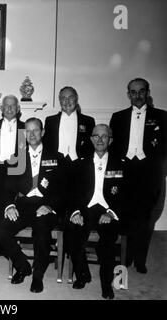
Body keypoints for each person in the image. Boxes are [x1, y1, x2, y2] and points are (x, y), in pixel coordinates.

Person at [0, 117, 65, 293]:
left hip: (45, 206)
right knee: (0, 231)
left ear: (42, 132)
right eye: (28, 131)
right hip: (24, 205)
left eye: (35, 130)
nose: (32, 134)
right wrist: (10, 206)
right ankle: (23, 266)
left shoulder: (57, 157)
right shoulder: (16, 158)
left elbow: (63, 190)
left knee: (41, 233)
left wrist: (49, 206)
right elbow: (8, 187)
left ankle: (38, 276)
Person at [110, 78, 167, 274]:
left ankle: (140, 260)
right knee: (124, 215)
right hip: (125, 172)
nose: (137, 95)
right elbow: (113, 148)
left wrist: (158, 168)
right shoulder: (118, 117)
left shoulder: (161, 116)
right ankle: (126, 257)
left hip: (148, 175)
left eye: (141, 91)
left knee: (145, 219)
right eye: (133, 92)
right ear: (128, 95)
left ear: (147, 92)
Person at [67, 124, 126, 299]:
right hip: (85, 208)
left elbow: (128, 195)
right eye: (96, 136)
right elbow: (70, 192)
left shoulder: (121, 163)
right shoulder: (79, 164)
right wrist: (75, 212)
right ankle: (82, 274)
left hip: (108, 211)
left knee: (107, 243)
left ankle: (106, 283)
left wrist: (112, 213)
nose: (100, 140)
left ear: (110, 140)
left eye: (104, 136)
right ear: (91, 139)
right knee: (72, 233)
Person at [43, 86, 95, 210]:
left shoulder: (88, 121)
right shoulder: (50, 120)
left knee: (76, 202)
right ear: (59, 101)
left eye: (70, 97)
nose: (67, 101)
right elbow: (47, 145)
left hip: (79, 167)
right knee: (57, 202)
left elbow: (90, 146)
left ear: (76, 99)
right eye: (63, 98)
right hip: (56, 167)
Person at [0, 95, 25, 260]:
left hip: (20, 171)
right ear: (1, 109)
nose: (9, 109)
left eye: (12, 106)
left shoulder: (26, 128)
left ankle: (13, 242)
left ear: (18, 109)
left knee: (17, 206)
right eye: (6, 106)